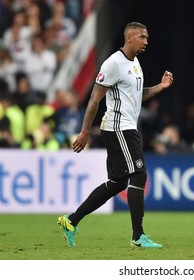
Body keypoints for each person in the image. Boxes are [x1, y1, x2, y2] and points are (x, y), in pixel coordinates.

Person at [57, 22, 173, 249]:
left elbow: (137, 96)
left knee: (118, 182)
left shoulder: (135, 63)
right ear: (129, 38)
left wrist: (159, 87)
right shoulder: (113, 63)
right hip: (119, 127)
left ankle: (71, 221)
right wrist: (84, 132)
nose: (146, 41)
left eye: (147, 38)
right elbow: (94, 99)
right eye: (142, 37)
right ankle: (138, 236)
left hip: (126, 127)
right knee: (139, 174)